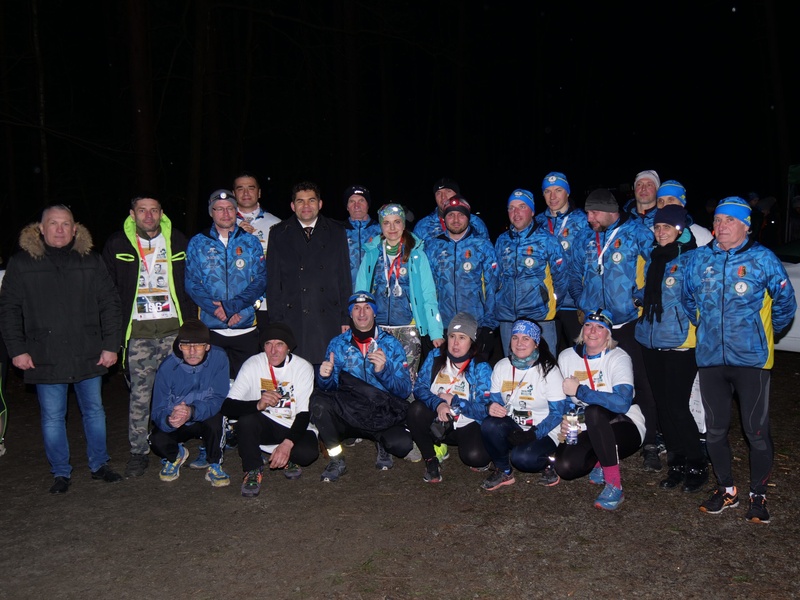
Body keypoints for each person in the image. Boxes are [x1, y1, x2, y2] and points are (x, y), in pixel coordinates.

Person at [683, 196, 796, 524]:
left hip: (751, 360)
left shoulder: (763, 258)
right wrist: (706, 328)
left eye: (729, 220)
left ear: (746, 225)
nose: (721, 226)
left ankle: (758, 495)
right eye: (718, 220)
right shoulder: (699, 259)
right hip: (711, 359)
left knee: (755, 431)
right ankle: (726, 489)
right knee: (715, 430)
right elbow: (688, 300)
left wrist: (763, 334)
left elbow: (785, 303)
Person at [0, 205, 123, 493]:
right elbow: (9, 309)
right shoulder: (22, 263)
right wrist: (17, 349)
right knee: (53, 416)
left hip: (89, 351)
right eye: (53, 223)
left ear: (74, 229)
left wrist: (110, 345)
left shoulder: (91, 260)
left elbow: (110, 304)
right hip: (45, 353)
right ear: (41, 229)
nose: (59, 229)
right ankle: (60, 472)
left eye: (65, 224)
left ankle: (99, 464)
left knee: (94, 411)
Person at [102, 194, 194, 478]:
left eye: (154, 210)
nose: (149, 216)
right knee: (141, 396)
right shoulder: (118, 243)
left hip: (173, 332)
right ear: (133, 214)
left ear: (161, 212)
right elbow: (107, 291)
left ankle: (173, 445)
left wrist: (191, 328)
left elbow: (191, 283)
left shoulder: (177, 240)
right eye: (142, 210)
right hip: (138, 334)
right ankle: (138, 452)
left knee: (176, 393)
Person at [569, 187, 660, 472]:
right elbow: (573, 272)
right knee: (597, 379)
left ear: (611, 212)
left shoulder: (638, 232)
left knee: (641, 382)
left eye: (594, 212)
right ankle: (602, 432)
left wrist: (638, 298)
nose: (589, 218)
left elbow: (657, 267)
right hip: (594, 324)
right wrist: (581, 300)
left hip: (626, 322)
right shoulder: (585, 237)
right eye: (587, 212)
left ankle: (650, 442)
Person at [635, 205, 707, 493]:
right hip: (651, 340)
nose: (661, 232)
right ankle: (676, 462)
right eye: (657, 227)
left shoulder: (692, 258)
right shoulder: (654, 257)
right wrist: (637, 296)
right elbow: (651, 292)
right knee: (662, 405)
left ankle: (697, 462)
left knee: (677, 407)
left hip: (680, 343)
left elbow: (700, 299)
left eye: (667, 227)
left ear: (680, 229)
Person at [310, 292, 413, 482]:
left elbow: (404, 390)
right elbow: (329, 388)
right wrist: (324, 377)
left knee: (402, 445)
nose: (362, 313)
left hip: (381, 414)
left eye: (367, 308)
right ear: (351, 314)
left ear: (374, 313)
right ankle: (336, 459)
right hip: (350, 413)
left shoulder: (391, 344)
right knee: (318, 403)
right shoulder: (338, 344)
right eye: (356, 308)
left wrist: (383, 372)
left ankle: (381, 442)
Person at [555, 309, 646, 511]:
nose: (592, 331)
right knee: (565, 467)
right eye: (588, 325)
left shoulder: (618, 357)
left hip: (625, 423)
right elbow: (565, 399)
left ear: (608, 334)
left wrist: (580, 391)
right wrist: (566, 420)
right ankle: (600, 461)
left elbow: (622, 403)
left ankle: (614, 485)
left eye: (600, 327)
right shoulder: (566, 357)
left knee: (595, 411)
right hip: (586, 424)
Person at [222, 322, 319, 497]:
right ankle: (252, 469)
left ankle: (286, 457)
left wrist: (287, 444)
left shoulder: (303, 367)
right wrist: (257, 404)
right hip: (264, 424)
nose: (273, 351)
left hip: (292, 424)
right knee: (246, 421)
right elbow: (227, 407)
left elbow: (303, 414)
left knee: (307, 454)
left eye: (279, 344)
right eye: (268, 344)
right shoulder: (253, 364)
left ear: (288, 347)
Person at [356, 203, 444, 384]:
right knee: (377, 379)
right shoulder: (372, 254)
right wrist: (358, 324)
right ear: (381, 226)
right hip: (378, 329)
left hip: (408, 328)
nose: (392, 228)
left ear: (403, 224)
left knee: (406, 381)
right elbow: (360, 293)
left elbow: (428, 295)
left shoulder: (417, 255)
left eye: (397, 222)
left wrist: (436, 332)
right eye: (386, 223)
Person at [266, 181, 352, 363]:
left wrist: (346, 318)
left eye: (311, 200)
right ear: (292, 206)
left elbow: (344, 278)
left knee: (327, 370)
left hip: (328, 317)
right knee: (296, 371)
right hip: (293, 318)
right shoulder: (279, 233)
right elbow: (273, 284)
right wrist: (276, 324)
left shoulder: (336, 231)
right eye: (300, 201)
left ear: (320, 204)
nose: (306, 206)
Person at [186, 189, 266, 378]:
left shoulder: (251, 242)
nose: (225, 213)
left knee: (246, 386)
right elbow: (192, 283)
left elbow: (261, 280)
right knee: (213, 386)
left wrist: (233, 308)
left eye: (230, 208)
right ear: (211, 212)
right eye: (219, 209)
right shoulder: (198, 243)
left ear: (236, 210)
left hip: (245, 327)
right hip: (211, 329)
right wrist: (218, 311)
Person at [480, 318, 567, 490]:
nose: (519, 343)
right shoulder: (502, 366)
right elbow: (495, 400)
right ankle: (504, 470)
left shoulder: (549, 370)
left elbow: (557, 413)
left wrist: (533, 434)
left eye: (526, 338)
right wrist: (491, 407)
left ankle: (548, 461)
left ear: (536, 343)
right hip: (515, 426)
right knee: (489, 425)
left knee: (523, 459)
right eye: (515, 338)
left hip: (544, 430)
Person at [407, 312, 493, 483]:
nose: (455, 343)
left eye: (462, 337)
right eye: (452, 336)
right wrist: (438, 403)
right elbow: (420, 388)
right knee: (415, 409)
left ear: (472, 340)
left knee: (476, 457)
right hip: (437, 417)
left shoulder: (480, 366)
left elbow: (484, 409)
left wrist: (454, 401)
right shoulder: (435, 356)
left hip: (465, 422)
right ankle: (431, 460)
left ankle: (457, 445)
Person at [149, 319, 231, 486]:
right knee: (155, 439)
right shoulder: (167, 367)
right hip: (178, 420)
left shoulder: (219, 358)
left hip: (204, 415)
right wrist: (169, 419)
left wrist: (192, 411)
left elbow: (219, 398)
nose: (192, 352)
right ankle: (176, 455)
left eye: (198, 346)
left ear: (207, 346)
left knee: (218, 418)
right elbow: (157, 409)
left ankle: (214, 464)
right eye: (186, 346)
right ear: (180, 346)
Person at [424, 196, 498, 360]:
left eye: (461, 215)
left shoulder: (482, 246)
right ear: (444, 219)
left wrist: (489, 326)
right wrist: (431, 325)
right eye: (451, 215)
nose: (456, 220)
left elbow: (493, 288)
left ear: (468, 218)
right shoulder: (433, 247)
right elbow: (427, 290)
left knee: (474, 372)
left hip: (476, 324)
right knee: (443, 372)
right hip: (444, 325)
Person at [495, 188, 568, 354]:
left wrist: (550, 303)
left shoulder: (547, 240)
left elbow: (562, 278)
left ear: (532, 211)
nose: (516, 213)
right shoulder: (502, 240)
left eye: (522, 207)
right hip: (508, 319)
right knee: (511, 367)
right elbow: (495, 278)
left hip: (539, 318)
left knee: (544, 366)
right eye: (511, 208)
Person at [535, 172, 590, 349]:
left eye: (558, 190)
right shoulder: (537, 222)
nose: (552, 197)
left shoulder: (583, 220)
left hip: (573, 302)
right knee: (545, 354)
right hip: (544, 303)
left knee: (580, 352)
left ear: (567, 192)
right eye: (547, 191)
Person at [233, 172, 281, 325]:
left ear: (259, 193)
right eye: (240, 189)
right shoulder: (223, 225)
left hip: (267, 304)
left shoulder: (276, 224)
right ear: (234, 194)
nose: (246, 193)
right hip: (235, 303)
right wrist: (236, 236)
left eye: (251, 188)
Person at [413, 177, 490, 242]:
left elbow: (487, 250)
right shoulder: (423, 225)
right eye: (439, 193)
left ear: (457, 194)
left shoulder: (475, 222)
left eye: (448, 191)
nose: (443, 197)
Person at [343, 184, 381, 287]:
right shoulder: (338, 232)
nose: (357, 206)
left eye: (361, 201)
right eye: (352, 201)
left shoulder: (381, 231)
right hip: (347, 291)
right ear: (347, 207)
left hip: (375, 291)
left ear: (368, 205)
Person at [655, 180, 713, 246]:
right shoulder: (650, 234)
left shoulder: (702, 235)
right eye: (660, 201)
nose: (665, 205)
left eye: (670, 200)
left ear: (682, 204)